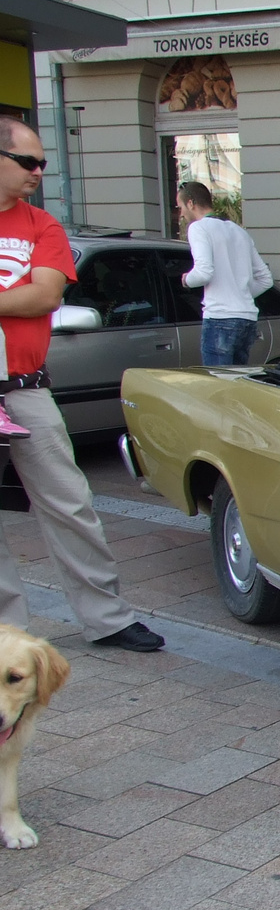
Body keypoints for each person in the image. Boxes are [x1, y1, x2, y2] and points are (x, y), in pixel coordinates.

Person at [0, 119, 165, 652]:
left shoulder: (41, 226)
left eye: (44, 162)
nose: (39, 172)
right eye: (28, 162)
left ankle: (108, 618)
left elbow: (44, 297)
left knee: (70, 502)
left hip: (25, 390)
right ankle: (7, 636)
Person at [176, 181, 273, 366]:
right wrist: (239, 294)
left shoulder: (198, 228)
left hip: (220, 318)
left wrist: (187, 280)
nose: (180, 213)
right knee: (237, 383)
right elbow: (266, 279)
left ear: (190, 203)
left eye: (180, 206)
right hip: (247, 319)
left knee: (218, 386)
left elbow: (204, 272)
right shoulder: (239, 231)